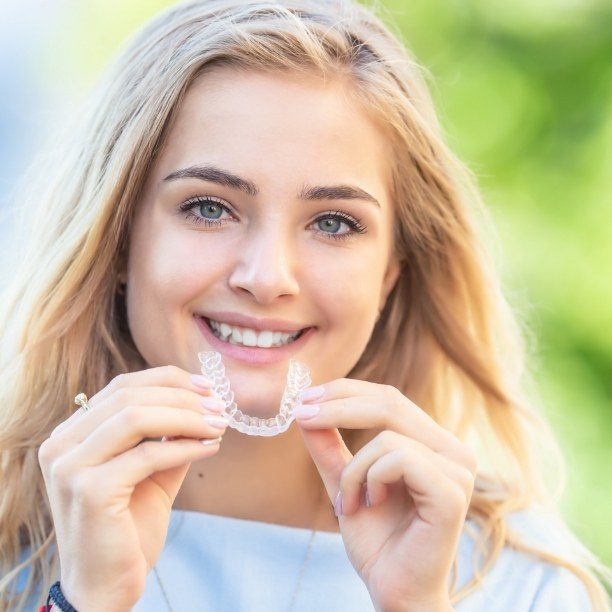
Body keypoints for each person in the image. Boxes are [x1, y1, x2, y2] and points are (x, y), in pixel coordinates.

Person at [0, 0, 610, 610]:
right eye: (209, 207)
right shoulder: (14, 554)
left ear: (391, 275)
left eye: (334, 223)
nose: (267, 278)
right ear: (118, 243)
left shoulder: (523, 584)